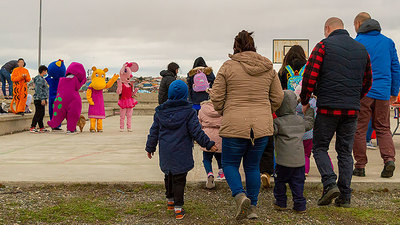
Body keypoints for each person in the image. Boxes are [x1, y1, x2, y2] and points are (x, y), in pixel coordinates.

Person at [209, 30, 284, 220]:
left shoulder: (227, 67)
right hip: (260, 127)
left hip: (234, 124)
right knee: (253, 167)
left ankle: (239, 195)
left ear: (236, 47)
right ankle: (252, 207)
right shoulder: (268, 67)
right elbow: (278, 97)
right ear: (253, 46)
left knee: (229, 163)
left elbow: (217, 97)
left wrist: (225, 111)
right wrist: (265, 111)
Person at [300, 17, 372, 208]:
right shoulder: (361, 49)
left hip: (327, 108)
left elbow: (310, 75)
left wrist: (306, 100)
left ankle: (330, 183)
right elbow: (367, 81)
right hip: (351, 110)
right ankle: (345, 196)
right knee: (345, 152)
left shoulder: (323, 46)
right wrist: (355, 97)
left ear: (327, 28)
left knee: (320, 147)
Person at [146, 80, 217, 220]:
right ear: (186, 94)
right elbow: (196, 132)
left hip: (166, 151)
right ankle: (178, 208)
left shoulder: (161, 112)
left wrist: (150, 147)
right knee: (179, 179)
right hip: (182, 151)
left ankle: (170, 200)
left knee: (169, 175)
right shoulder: (189, 112)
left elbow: (153, 131)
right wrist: (208, 144)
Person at [352, 12, 400, 178]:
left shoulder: (357, 42)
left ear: (358, 24)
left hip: (363, 93)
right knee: (383, 127)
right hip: (383, 93)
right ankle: (389, 160)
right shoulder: (388, 42)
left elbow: (353, 70)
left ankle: (360, 166)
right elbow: (395, 68)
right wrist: (394, 92)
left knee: (359, 129)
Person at [273, 90, 314, 213]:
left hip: (283, 162)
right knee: (298, 184)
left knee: (280, 182)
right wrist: (309, 111)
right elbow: (310, 123)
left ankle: (281, 203)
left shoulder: (277, 122)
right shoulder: (300, 121)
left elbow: (268, 130)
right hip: (299, 161)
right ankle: (300, 205)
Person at [198, 100, 224, 189]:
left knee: (207, 158)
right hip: (220, 135)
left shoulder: (202, 109)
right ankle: (221, 173)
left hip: (207, 135)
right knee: (220, 156)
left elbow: (199, 124)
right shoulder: (223, 108)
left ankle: (209, 173)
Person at [30, 65, 49, 133]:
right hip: (39, 99)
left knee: (42, 113)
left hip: (41, 98)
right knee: (38, 113)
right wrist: (42, 99)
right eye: (46, 71)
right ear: (43, 71)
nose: (46, 73)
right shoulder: (39, 79)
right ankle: (33, 126)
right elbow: (39, 90)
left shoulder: (41, 79)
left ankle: (41, 127)